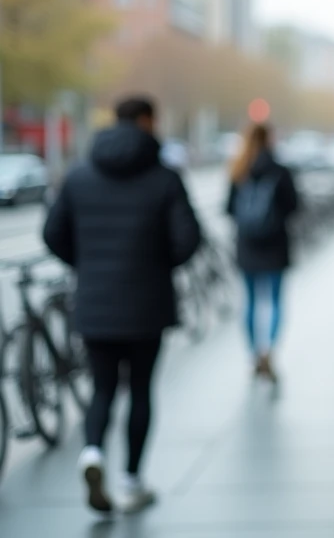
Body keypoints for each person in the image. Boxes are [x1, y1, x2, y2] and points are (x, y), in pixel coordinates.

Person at [43, 96, 201, 515]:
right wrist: (156, 264)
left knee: (102, 389)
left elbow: (52, 233)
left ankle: (93, 452)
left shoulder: (79, 174)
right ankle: (132, 481)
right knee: (141, 391)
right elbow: (188, 240)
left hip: (95, 301)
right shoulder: (165, 178)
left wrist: (87, 263)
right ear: (147, 121)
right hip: (148, 303)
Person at [226, 123, 299, 384]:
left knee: (250, 301)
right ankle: (269, 351)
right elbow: (293, 206)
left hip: (247, 246)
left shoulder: (239, 169)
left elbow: (229, 209)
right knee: (276, 300)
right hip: (275, 245)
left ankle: (253, 353)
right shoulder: (280, 171)